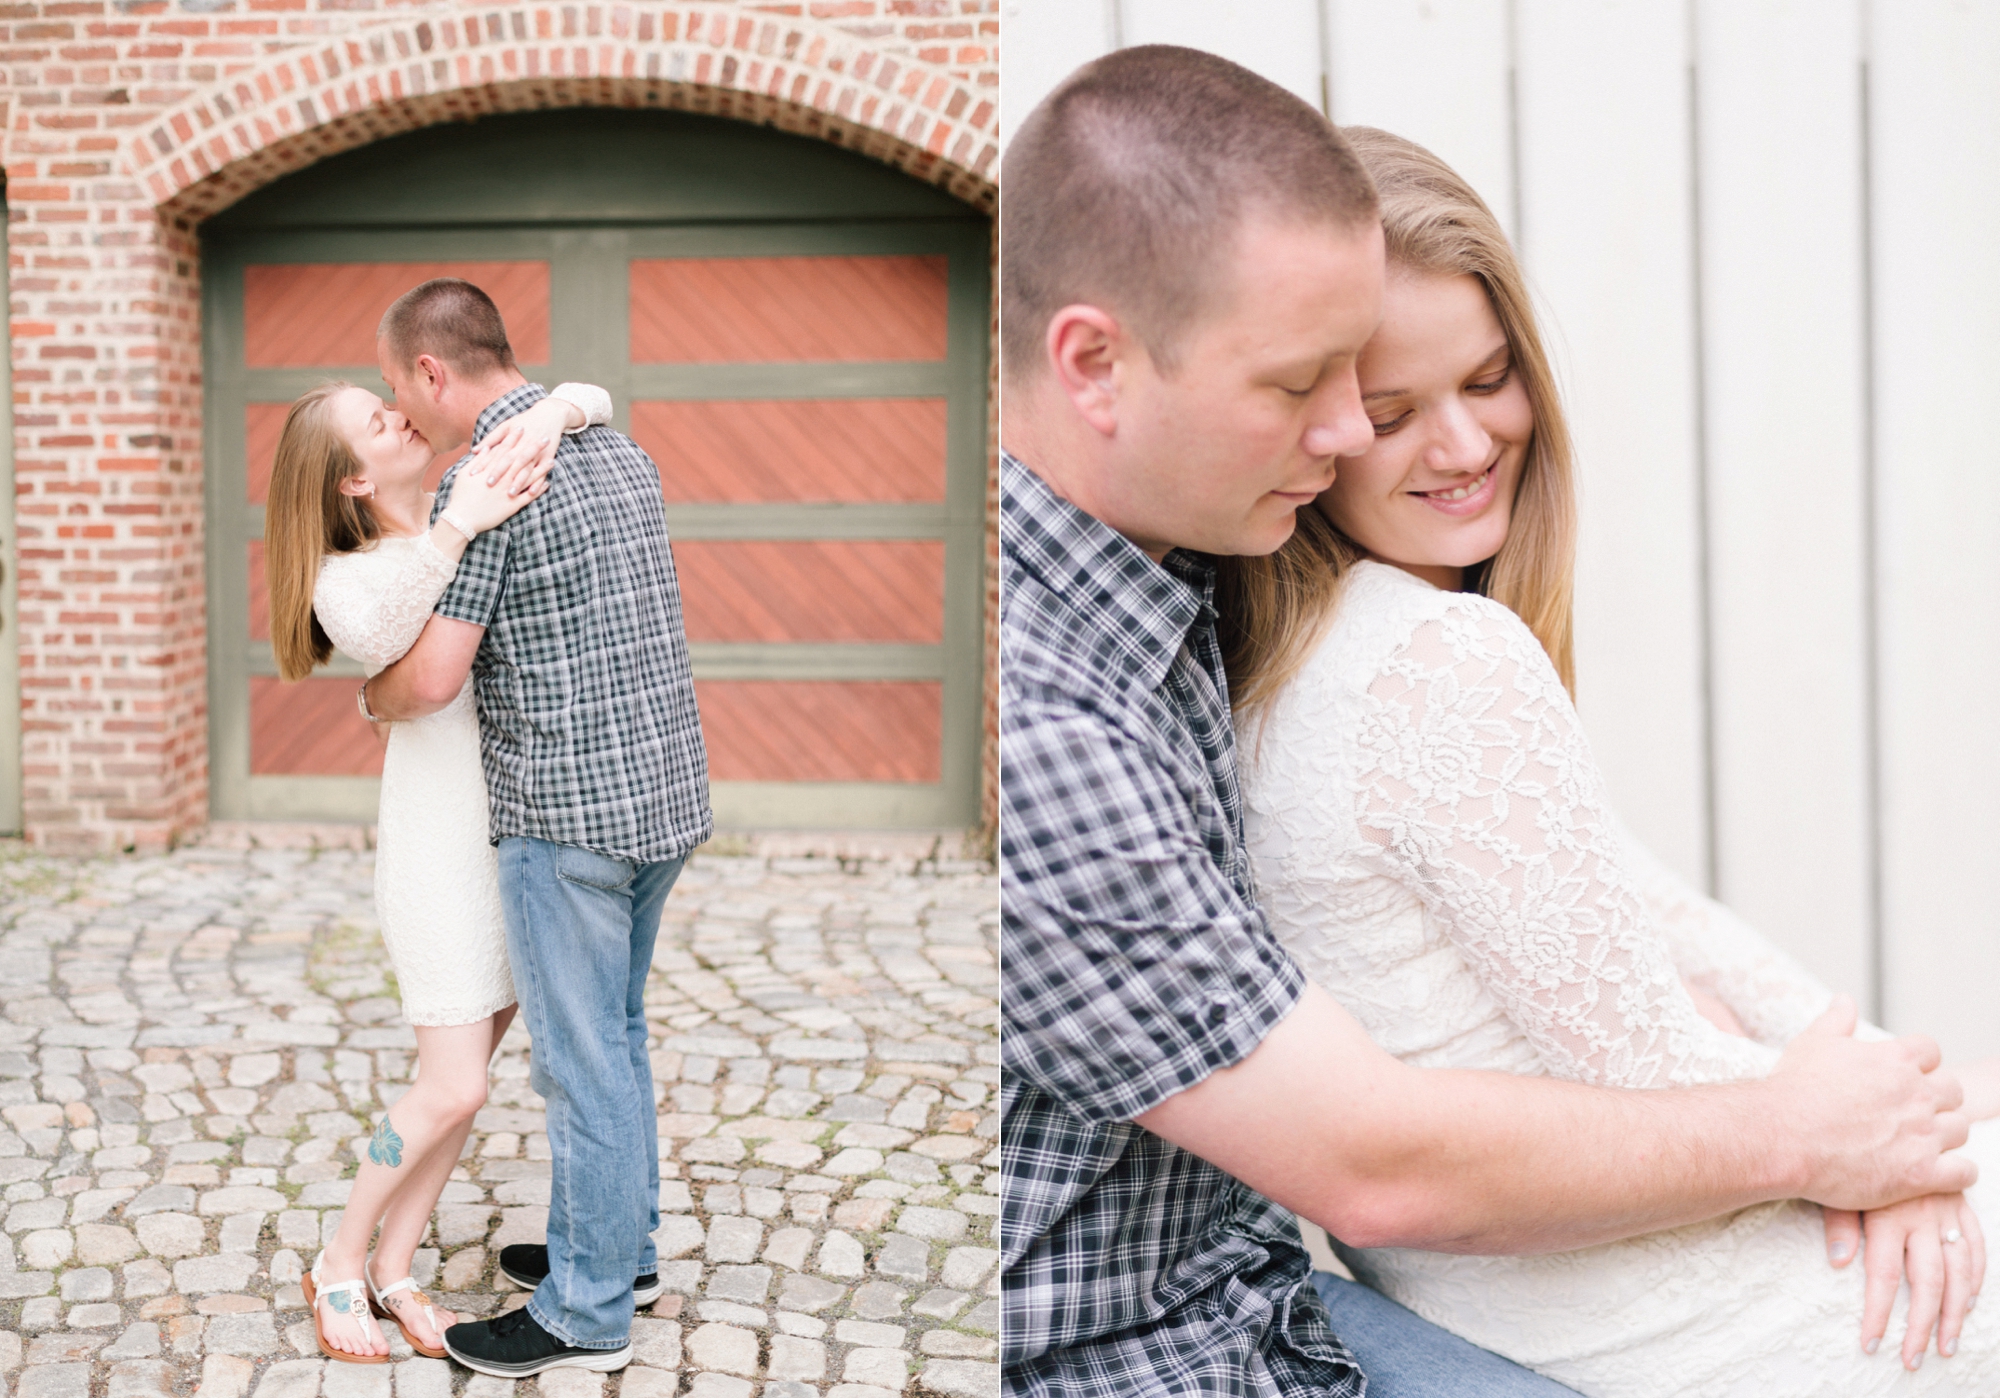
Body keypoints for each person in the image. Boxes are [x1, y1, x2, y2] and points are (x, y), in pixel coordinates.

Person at [999, 45, 1972, 1398]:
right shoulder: (1090, 708)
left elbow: (1651, 916)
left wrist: (1876, 1105)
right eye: (1329, 392)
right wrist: (1859, 1141)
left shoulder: (1184, 590)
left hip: (1285, 1288)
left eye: (1476, 378)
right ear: (1095, 365)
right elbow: (1380, 1157)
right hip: (1166, 1352)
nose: (1354, 431)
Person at [358, 278, 712, 1378]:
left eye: (398, 392)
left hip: (565, 819)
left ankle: (585, 1311)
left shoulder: (491, 479)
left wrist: (371, 696)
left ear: (430, 371)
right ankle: (624, 1251)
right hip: (664, 795)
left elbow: (433, 679)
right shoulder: (618, 450)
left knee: (578, 1061)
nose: (404, 416)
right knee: (620, 1031)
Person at [264, 375, 610, 1360]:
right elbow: (375, 641)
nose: (400, 413)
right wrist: (455, 529)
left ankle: (395, 1268)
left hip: (509, 844)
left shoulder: (460, 503)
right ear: (354, 480)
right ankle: (338, 1257)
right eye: (377, 421)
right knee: (448, 1089)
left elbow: (595, 392)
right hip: (434, 859)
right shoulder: (357, 572)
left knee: (466, 1081)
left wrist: (548, 414)